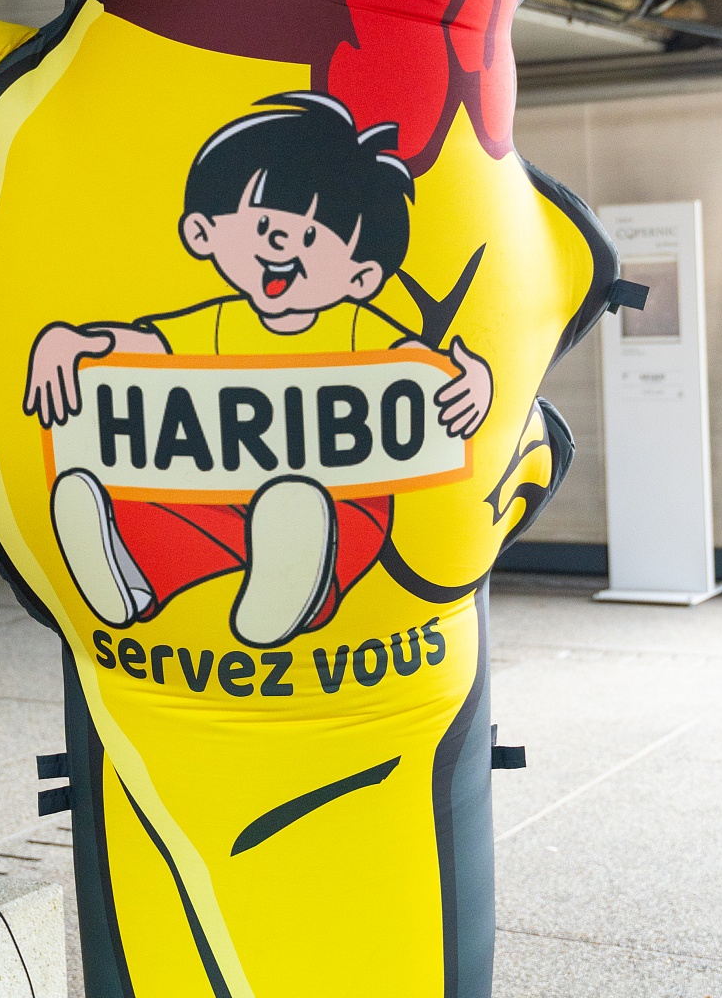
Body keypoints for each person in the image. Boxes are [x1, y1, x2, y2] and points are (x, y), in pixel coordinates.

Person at [25, 92, 493, 646]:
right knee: (165, 501)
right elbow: (146, 344)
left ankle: (300, 593)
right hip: (225, 492)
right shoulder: (218, 323)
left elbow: (427, 371)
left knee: (330, 513)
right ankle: (130, 573)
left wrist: (476, 382)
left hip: (336, 497)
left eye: (312, 236)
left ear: (361, 277)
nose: (281, 240)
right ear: (202, 233)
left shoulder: (358, 328)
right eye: (264, 221)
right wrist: (73, 342)